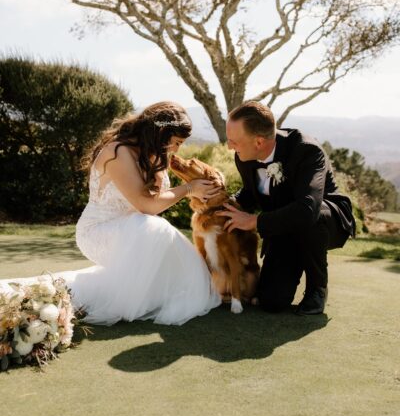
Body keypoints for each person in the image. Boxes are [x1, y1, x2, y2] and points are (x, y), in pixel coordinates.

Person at [2, 102, 221, 325]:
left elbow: (155, 202)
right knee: (156, 228)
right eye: (175, 142)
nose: (175, 150)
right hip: (99, 230)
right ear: (159, 133)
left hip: (136, 231)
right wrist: (189, 188)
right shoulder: (117, 152)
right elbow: (147, 205)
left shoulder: (155, 154)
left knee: (181, 262)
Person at [217, 101, 355, 315]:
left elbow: (307, 208)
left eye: (234, 141)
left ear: (259, 142)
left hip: (324, 220)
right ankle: (294, 258)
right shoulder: (243, 157)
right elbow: (250, 193)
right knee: (272, 301)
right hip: (283, 227)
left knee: (313, 216)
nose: (229, 147)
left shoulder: (306, 150)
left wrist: (254, 222)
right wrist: (220, 204)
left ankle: (317, 289)